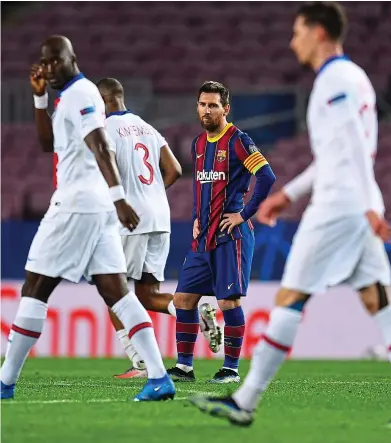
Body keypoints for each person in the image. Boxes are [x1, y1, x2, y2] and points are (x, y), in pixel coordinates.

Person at [188, 2, 391, 430]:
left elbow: (351, 147)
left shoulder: (334, 80)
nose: (292, 41)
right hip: (350, 202)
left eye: (297, 32)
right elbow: (336, 154)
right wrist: (288, 194)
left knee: (290, 298)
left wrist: (371, 206)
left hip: (338, 208)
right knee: (379, 299)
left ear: (318, 32)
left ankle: (245, 400)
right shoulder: (352, 78)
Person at [0, 35, 175, 402]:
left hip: (76, 205)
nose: (48, 69)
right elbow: (50, 144)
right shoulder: (69, 97)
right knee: (118, 293)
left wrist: (120, 198)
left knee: (34, 288)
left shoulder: (81, 95)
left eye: (54, 61)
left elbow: (99, 143)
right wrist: (39, 99)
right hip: (96, 210)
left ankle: (4, 382)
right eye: (44, 62)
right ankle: (159, 377)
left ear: (72, 59)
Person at [97, 78, 220, 379]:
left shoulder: (106, 130)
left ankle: (139, 361)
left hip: (130, 220)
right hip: (159, 217)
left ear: (103, 102)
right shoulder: (146, 127)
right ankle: (195, 313)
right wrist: (151, 193)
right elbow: (175, 168)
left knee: (116, 293)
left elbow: (108, 170)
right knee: (148, 295)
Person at [167, 81, 276, 383]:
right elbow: (200, 187)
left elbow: (266, 177)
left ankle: (230, 368)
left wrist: (244, 215)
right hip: (203, 238)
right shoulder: (198, 145)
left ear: (225, 109)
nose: (206, 110)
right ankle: (185, 366)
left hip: (231, 238)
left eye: (213, 105)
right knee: (183, 299)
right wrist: (195, 218)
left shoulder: (238, 141)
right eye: (202, 104)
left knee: (228, 303)